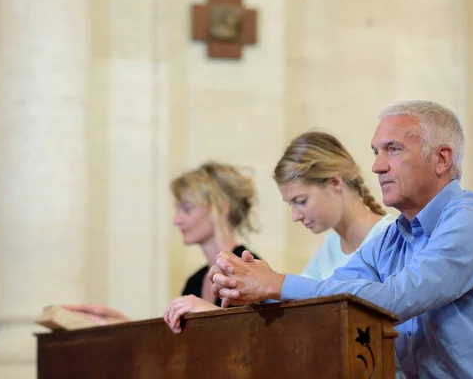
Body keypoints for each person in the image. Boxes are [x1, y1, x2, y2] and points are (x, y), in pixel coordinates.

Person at [208, 100, 473, 378]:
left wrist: (276, 284)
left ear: (442, 159)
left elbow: (394, 300)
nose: (377, 166)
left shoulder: (471, 223)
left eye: (392, 149)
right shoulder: (392, 237)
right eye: (375, 152)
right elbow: (334, 300)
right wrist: (253, 295)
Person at [163, 131, 395, 329]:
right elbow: (294, 316)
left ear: (335, 182)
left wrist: (267, 285)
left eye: (301, 201)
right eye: (290, 204)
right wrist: (257, 292)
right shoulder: (329, 248)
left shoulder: (390, 237)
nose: (295, 215)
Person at [63, 161, 260, 330]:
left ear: (220, 208)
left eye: (187, 209)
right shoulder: (195, 281)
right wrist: (121, 325)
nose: (176, 220)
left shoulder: (249, 267)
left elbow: (258, 339)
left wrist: (209, 313)